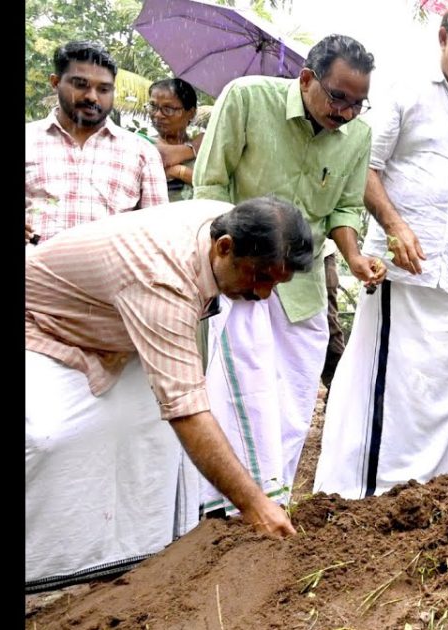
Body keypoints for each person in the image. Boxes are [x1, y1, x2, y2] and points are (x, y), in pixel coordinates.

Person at [26, 197, 306, 591]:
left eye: (276, 284)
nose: (263, 294)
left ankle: (137, 558)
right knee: (50, 437)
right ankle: (51, 571)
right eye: (260, 277)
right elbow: (187, 412)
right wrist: (256, 507)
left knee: (156, 440)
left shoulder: (232, 223)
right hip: (44, 325)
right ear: (224, 247)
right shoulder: (163, 281)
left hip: (113, 330)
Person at [315, 2, 448, 498]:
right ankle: (363, 494)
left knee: (441, 394)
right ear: (444, 38)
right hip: (400, 271)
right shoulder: (405, 91)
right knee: (387, 385)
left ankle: (425, 495)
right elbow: (365, 168)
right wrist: (395, 225)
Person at [192, 34, 383, 514]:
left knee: (295, 400)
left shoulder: (358, 135)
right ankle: (220, 507)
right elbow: (210, 184)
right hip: (240, 279)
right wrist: (226, 264)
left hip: (302, 285)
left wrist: (355, 257)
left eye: (357, 103)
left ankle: (272, 498)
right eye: (338, 97)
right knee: (241, 392)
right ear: (306, 79)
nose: (346, 113)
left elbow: (344, 208)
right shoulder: (247, 99)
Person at [26, 41, 167, 245]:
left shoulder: (141, 152)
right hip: (33, 263)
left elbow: (158, 233)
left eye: (103, 89)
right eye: (80, 85)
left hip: (114, 265)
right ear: (55, 82)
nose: (92, 97)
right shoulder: (29, 139)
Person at [145, 78, 203, 201]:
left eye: (168, 109)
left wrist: (178, 171)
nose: (157, 115)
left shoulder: (205, 152)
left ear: (191, 113)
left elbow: (215, 189)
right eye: (153, 106)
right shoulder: (141, 146)